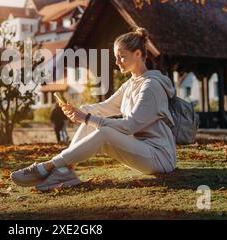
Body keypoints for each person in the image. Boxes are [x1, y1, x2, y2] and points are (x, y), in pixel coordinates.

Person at [10, 27, 177, 191]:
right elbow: (105, 107)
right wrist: (80, 110)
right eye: (116, 57)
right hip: (141, 150)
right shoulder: (131, 84)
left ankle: (49, 166)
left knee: (103, 131)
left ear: (138, 54)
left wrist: (86, 117)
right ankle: (65, 171)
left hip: (159, 157)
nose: (117, 61)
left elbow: (130, 126)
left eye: (122, 57)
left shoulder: (151, 86)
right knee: (93, 117)